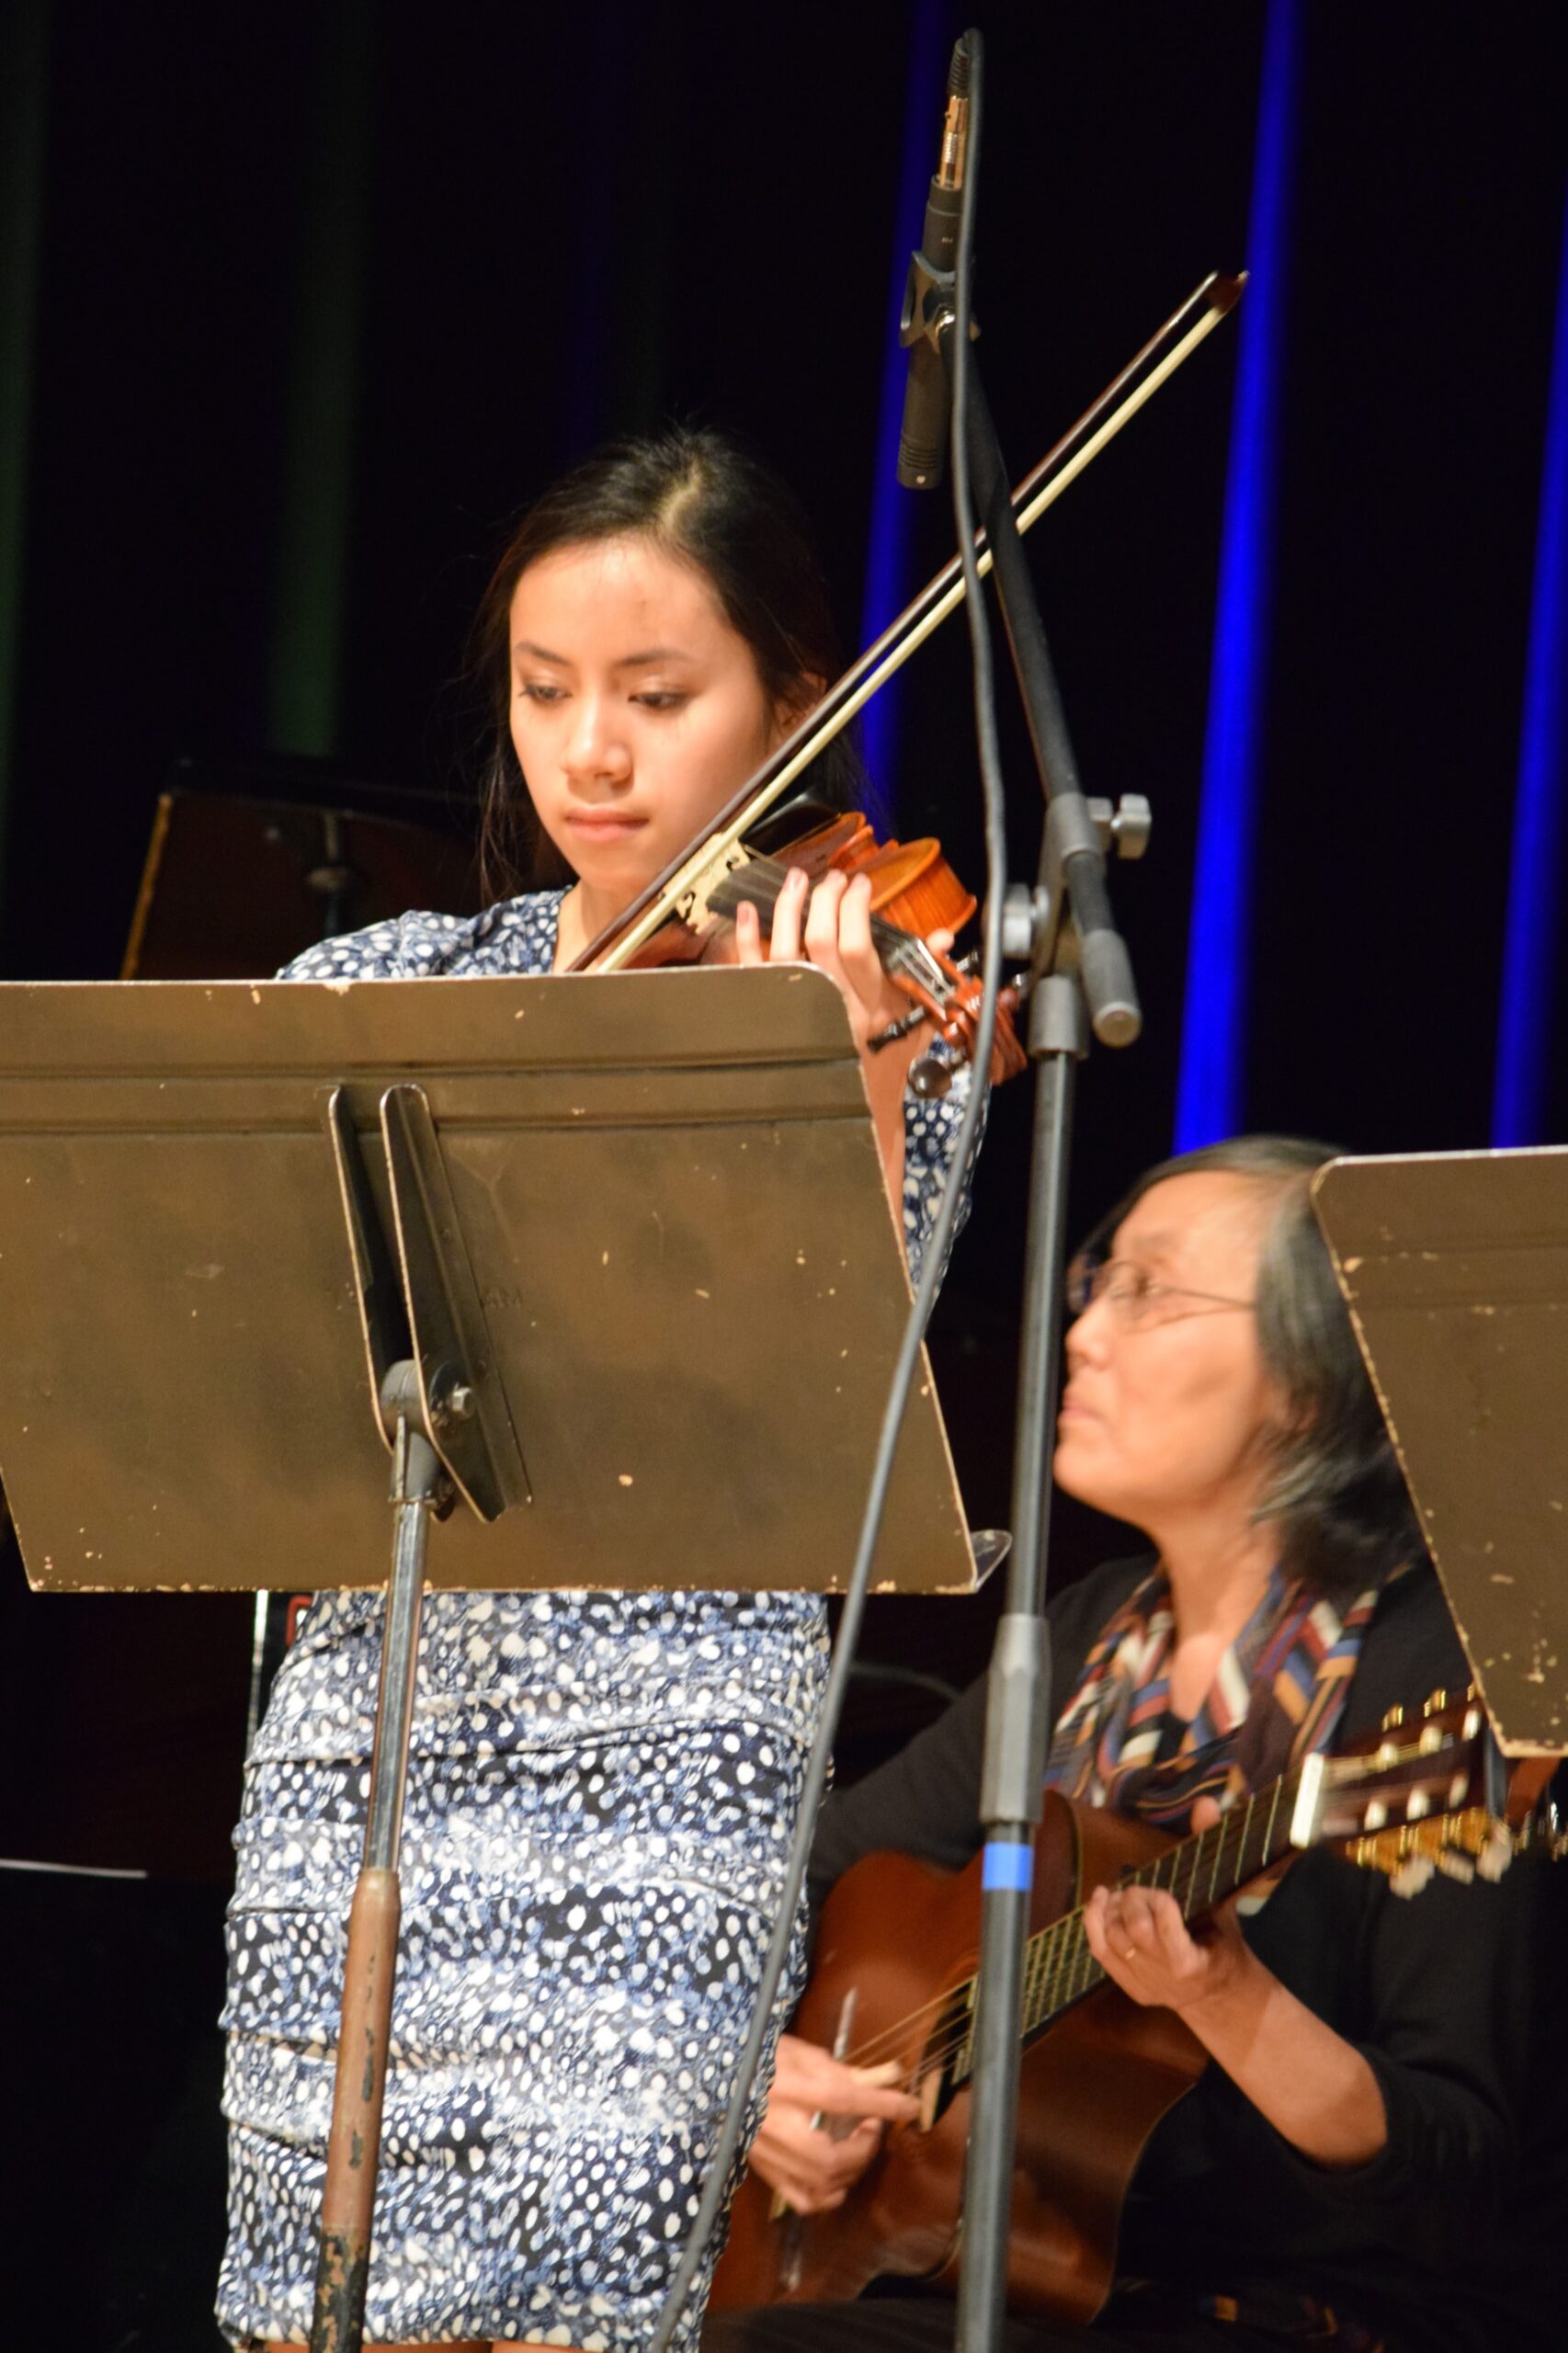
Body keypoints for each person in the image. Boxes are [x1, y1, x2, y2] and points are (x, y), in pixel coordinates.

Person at [216, 427, 977, 2353]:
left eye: (656, 695)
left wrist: (848, 1078)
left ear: (792, 705)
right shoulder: (374, 985)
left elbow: (829, 1431)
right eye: (545, 691)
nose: (591, 754)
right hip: (368, 1758)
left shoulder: (895, 998)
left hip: (664, 1785)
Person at [705, 1136, 1568, 2353]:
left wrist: (1224, 1997)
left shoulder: (1446, 1677)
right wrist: (753, 2077)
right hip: (1042, 2287)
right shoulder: (1087, 1635)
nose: (1085, 1334)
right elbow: (791, 1883)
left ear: (1309, 1383)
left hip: (1308, 2314)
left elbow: (1451, 2174)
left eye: (1149, 1292)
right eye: (1094, 1284)